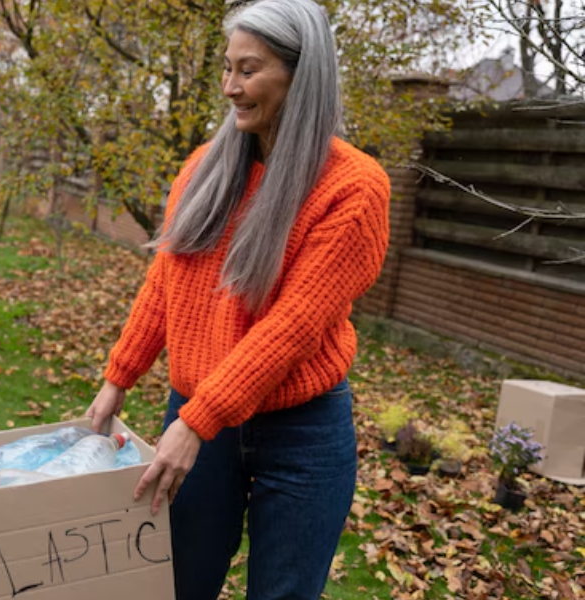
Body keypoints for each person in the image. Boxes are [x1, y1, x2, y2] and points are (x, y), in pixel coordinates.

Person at [86, 1, 391, 598]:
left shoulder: (354, 188)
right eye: (227, 68)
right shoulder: (205, 167)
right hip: (201, 416)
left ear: (301, 75)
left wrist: (196, 421)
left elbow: (295, 325)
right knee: (177, 582)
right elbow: (166, 283)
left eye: (248, 70)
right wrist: (119, 376)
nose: (229, 87)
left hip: (301, 430)